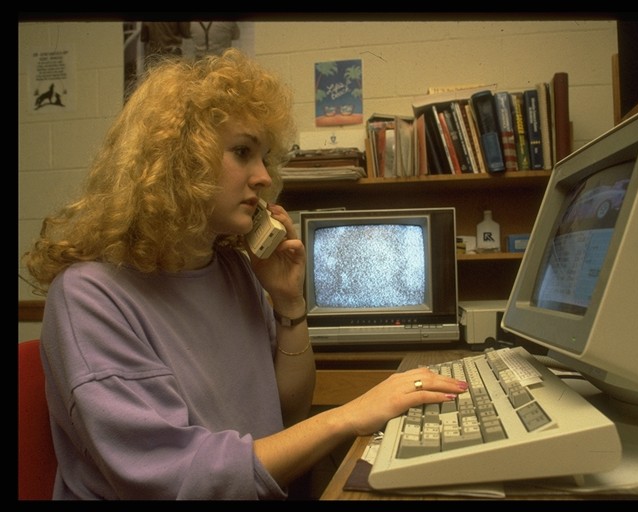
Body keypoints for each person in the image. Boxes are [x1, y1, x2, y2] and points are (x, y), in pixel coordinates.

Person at [22, 48, 467, 500]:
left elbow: (286, 413)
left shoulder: (234, 269)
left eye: (265, 158)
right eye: (242, 152)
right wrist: (350, 414)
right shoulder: (89, 297)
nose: (263, 177)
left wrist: (289, 304)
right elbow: (180, 477)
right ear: (178, 160)